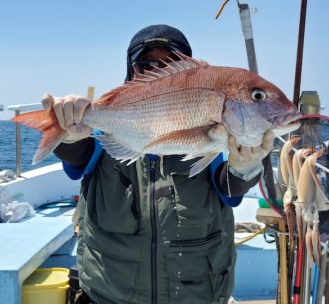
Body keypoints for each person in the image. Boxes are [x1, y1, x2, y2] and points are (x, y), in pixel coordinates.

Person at [42, 24, 274, 304]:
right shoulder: (105, 141)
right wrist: (67, 134)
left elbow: (231, 189)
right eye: (145, 64)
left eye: (169, 63)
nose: (155, 70)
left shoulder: (211, 147)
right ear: (131, 72)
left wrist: (245, 166)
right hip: (109, 296)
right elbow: (77, 156)